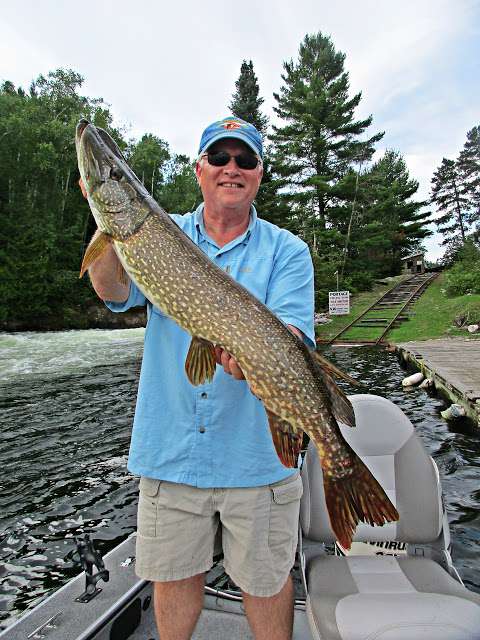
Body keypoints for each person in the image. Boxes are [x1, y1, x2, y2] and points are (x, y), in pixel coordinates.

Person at [84, 116, 315, 640]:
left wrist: (253, 358)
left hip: (257, 456)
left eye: (245, 160)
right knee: (173, 578)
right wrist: (102, 221)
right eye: (220, 158)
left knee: (266, 581)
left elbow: (294, 338)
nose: (231, 168)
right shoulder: (156, 232)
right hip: (171, 450)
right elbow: (113, 293)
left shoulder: (287, 251)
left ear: (258, 174)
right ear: (200, 169)